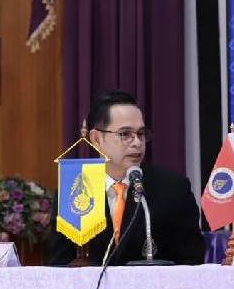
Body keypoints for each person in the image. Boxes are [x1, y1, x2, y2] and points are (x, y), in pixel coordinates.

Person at [46, 91, 205, 266]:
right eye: (125, 134)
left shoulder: (173, 189)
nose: (137, 142)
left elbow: (192, 264)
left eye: (141, 134)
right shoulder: (73, 190)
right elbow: (58, 267)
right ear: (96, 139)